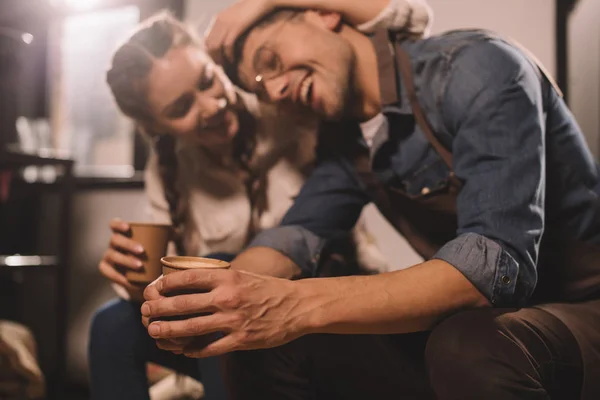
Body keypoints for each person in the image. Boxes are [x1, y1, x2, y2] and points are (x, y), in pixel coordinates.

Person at [140, 1, 600, 400]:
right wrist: (215, 299)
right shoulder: (347, 142)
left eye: (272, 60)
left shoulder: (475, 67)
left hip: (579, 313)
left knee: (466, 346)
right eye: (262, 87)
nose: (275, 90)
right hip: (488, 327)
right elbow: (293, 238)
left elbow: (490, 272)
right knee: (262, 343)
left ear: (324, 15)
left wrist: (289, 305)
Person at [89, 2, 432, 399]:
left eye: (207, 80)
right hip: (230, 314)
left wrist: (265, 3)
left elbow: (409, 16)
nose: (212, 105)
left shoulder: (285, 102)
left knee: (224, 326)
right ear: (154, 127)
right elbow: (169, 280)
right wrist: (133, 279)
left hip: (320, 303)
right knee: (112, 325)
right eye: (181, 108)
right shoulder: (167, 170)